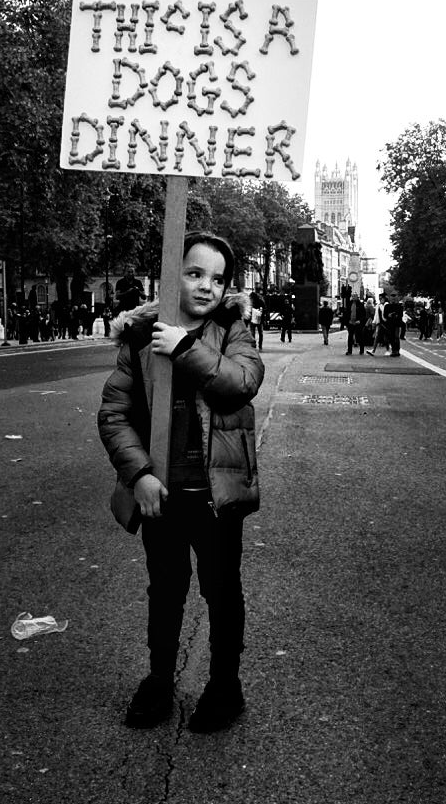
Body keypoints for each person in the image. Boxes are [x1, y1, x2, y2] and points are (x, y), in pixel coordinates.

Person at [98, 233, 263, 734]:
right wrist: (140, 474)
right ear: (173, 274)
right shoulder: (138, 339)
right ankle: (159, 680)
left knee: (221, 591)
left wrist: (187, 347)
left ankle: (224, 685)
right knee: (165, 591)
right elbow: (115, 414)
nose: (206, 286)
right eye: (194, 273)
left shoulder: (233, 331)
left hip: (216, 495)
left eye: (217, 278)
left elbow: (239, 384)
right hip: (161, 495)